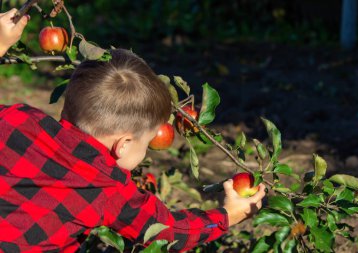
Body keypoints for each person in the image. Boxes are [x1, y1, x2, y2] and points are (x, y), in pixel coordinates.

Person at [0, 8, 267, 253]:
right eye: (147, 142)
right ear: (124, 144)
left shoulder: (19, 118)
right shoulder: (108, 188)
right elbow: (168, 232)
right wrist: (228, 215)